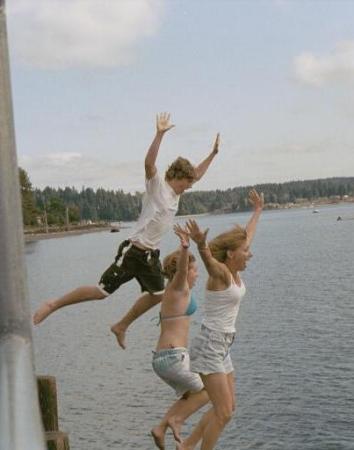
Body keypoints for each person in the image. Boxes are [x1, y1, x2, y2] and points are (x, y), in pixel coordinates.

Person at [32, 113, 220, 351]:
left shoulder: (176, 194)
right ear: (175, 176)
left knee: (159, 293)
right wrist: (159, 134)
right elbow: (149, 164)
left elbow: (198, 174)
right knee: (101, 292)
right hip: (134, 251)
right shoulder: (157, 187)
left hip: (150, 255)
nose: (190, 186)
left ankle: (121, 326)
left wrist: (212, 154)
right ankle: (53, 304)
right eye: (187, 182)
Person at [177, 189, 264, 450]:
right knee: (224, 412)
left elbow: (247, 237)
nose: (250, 254)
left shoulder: (235, 268)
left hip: (222, 345)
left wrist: (258, 210)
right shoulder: (222, 274)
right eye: (245, 251)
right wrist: (202, 245)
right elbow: (209, 263)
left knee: (226, 408)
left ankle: (186, 446)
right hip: (211, 345)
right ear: (230, 254)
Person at [150, 224, 209, 449]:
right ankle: (176, 420)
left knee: (189, 395)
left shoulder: (172, 293)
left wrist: (201, 244)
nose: (196, 274)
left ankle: (161, 427)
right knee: (208, 391)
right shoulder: (177, 288)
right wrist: (185, 247)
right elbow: (182, 272)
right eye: (195, 270)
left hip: (167, 358)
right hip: (172, 358)